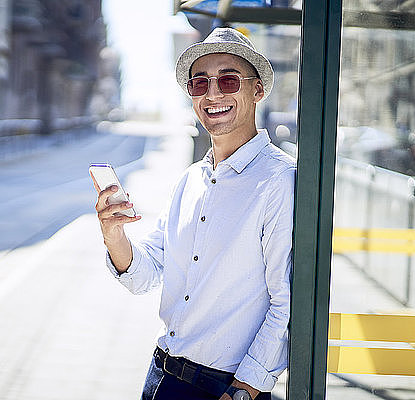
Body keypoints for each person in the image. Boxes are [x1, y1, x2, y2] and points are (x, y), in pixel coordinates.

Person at [91, 27, 295, 400]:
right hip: (161, 377)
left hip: (223, 387)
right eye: (199, 84)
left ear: (257, 90)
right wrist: (113, 234)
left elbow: (288, 300)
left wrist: (245, 389)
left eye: (228, 80)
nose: (213, 93)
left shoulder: (279, 180)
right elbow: (145, 275)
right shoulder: (191, 180)